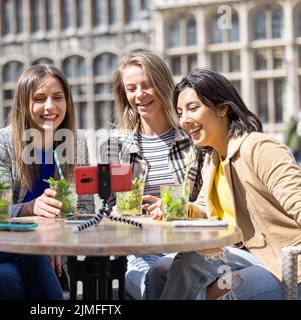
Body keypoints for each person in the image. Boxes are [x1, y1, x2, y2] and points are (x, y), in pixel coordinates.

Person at [145, 68, 301, 300]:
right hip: (236, 256)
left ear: (222, 108)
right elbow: (204, 210)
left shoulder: (260, 148)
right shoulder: (213, 159)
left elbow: (298, 203)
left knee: (205, 277)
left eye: (193, 108)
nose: (184, 120)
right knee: (159, 272)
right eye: (180, 112)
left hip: (275, 262)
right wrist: (179, 208)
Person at [0, 64, 94, 300]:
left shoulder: (75, 143)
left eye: (58, 97)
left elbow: (86, 210)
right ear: (23, 104)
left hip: (48, 260)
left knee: (7, 278)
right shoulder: (0, 143)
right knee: (28, 244)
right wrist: (31, 209)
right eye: (39, 99)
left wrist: (55, 238)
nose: (50, 106)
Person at [99, 50, 204, 300]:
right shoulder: (113, 148)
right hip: (137, 250)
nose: (139, 95)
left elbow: (205, 203)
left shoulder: (195, 141)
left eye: (147, 85)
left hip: (187, 247)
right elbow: (106, 209)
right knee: (154, 282)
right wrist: (114, 214)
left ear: (163, 85)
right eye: (131, 88)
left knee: (166, 280)